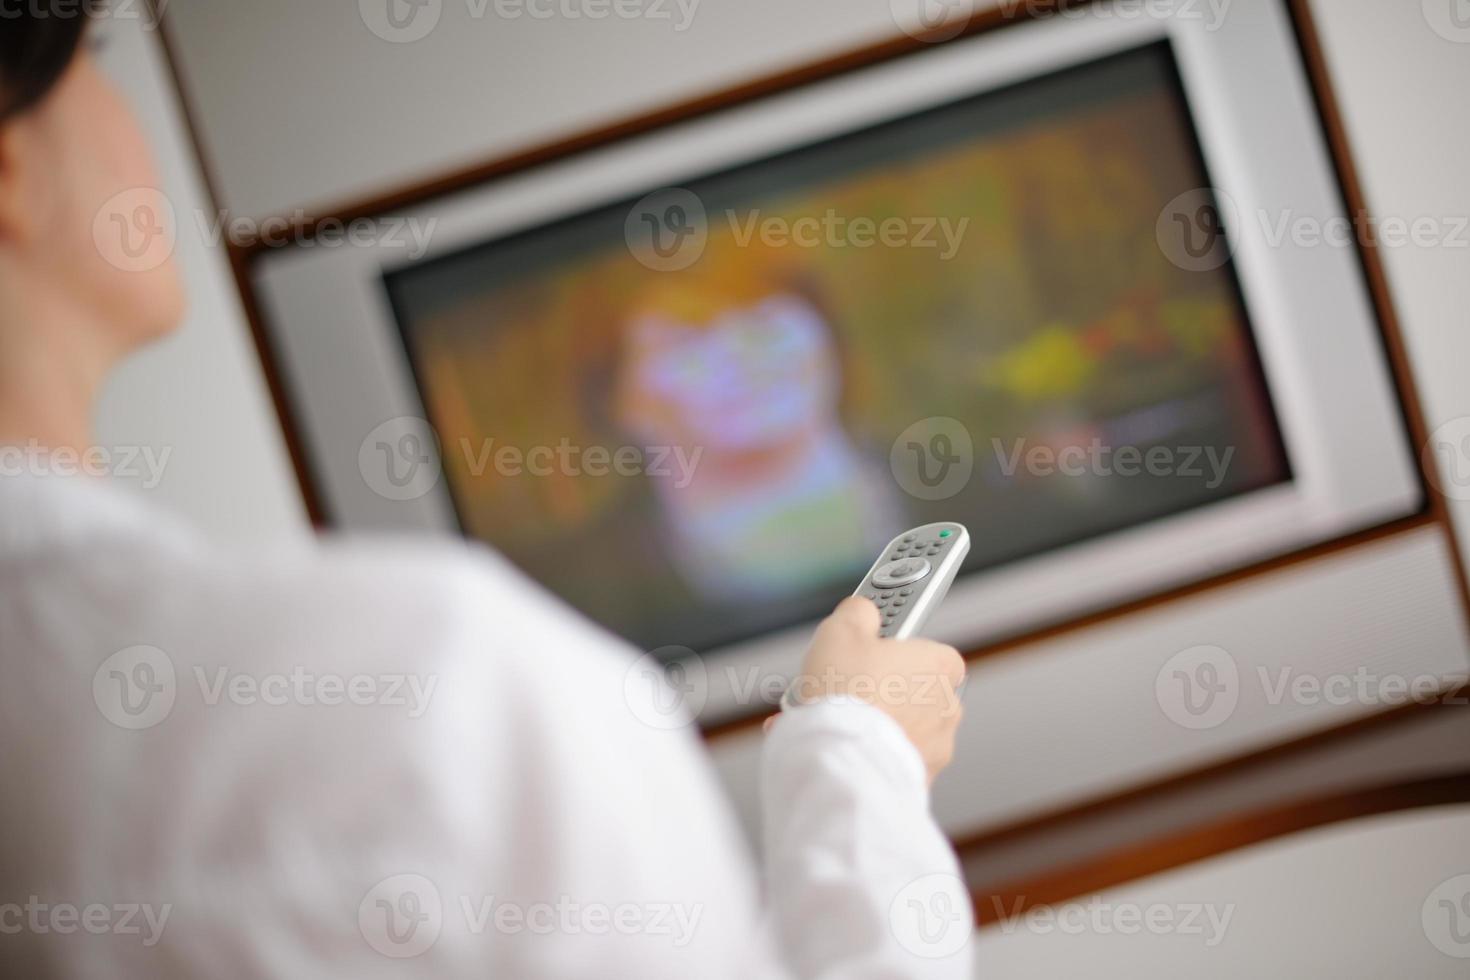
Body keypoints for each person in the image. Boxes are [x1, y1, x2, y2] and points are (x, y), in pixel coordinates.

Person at [0, 13, 973, 978]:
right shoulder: (440, 662)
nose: (742, 360)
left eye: (770, 313)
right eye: (99, 53)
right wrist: (859, 753)